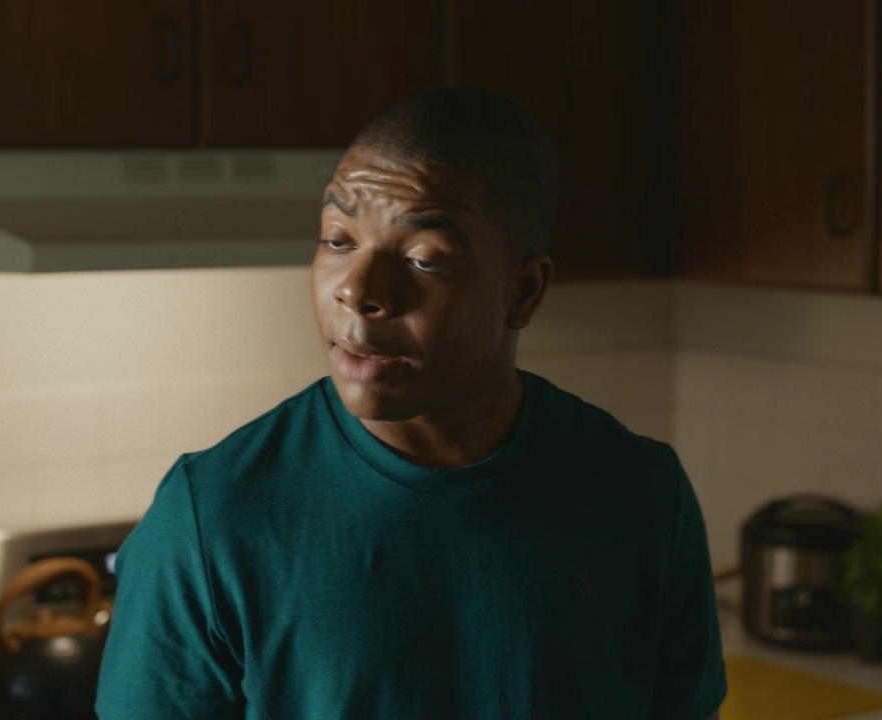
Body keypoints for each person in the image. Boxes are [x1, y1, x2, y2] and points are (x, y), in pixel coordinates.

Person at [96, 86, 726, 720]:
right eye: (338, 240)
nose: (358, 290)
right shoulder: (211, 517)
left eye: (424, 259)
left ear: (523, 291)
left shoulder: (642, 493)